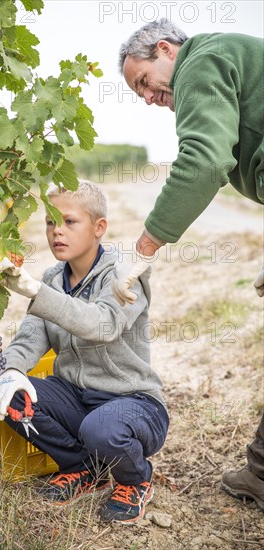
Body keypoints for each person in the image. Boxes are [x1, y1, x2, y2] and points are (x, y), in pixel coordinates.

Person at [113, 18, 264, 512]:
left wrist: (144, 248)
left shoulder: (200, 60)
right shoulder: (230, 62)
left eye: (144, 83)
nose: (150, 98)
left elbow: (203, 161)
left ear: (165, 49)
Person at [0, 180, 169, 523]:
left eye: (69, 221)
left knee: (100, 430)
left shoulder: (124, 274)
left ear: (99, 227)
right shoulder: (54, 278)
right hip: (76, 398)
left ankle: (136, 479)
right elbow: (31, 336)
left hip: (133, 403)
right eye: (50, 221)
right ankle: (85, 469)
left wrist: (34, 291)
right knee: (13, 396)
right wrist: (11, 370)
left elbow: (100, 324)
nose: (57, 231)